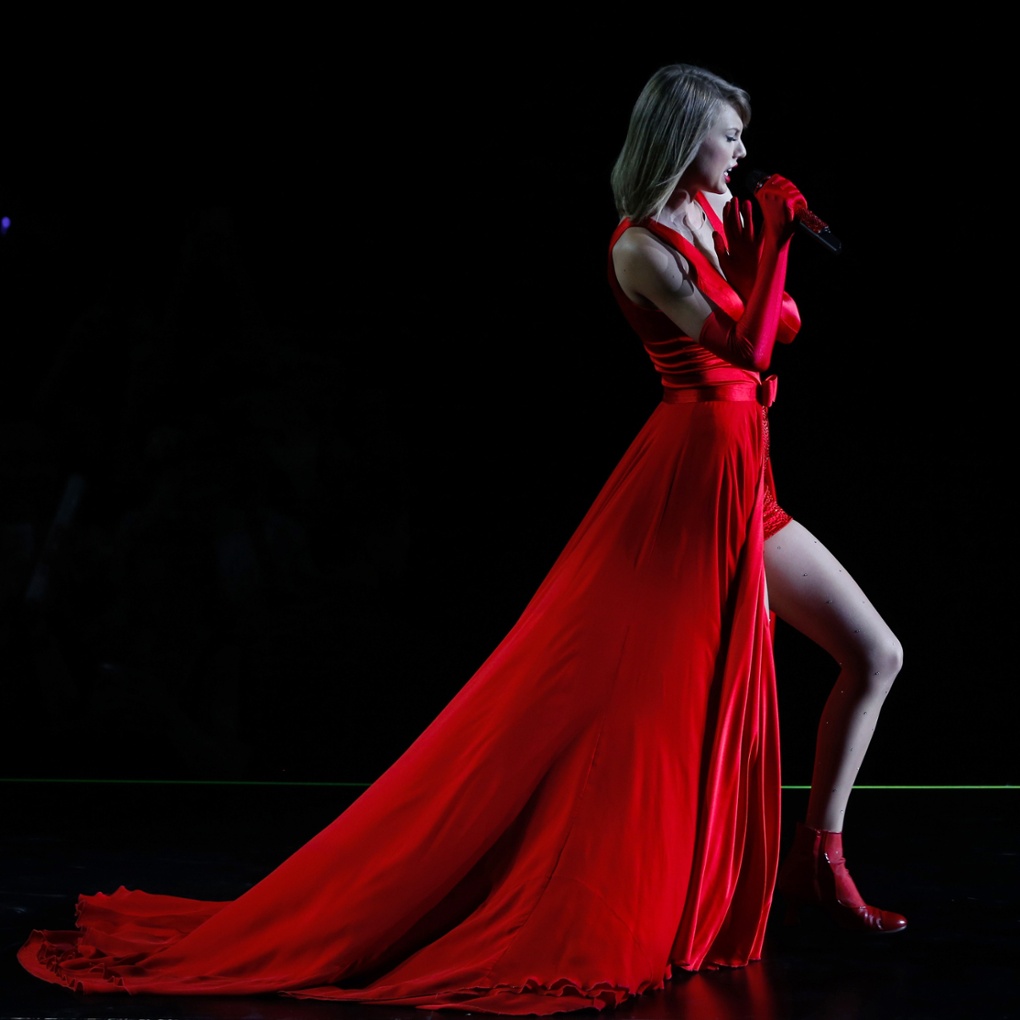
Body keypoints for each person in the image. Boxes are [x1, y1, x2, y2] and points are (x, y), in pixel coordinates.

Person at [17, 63, 904, 1016]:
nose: (742, 152)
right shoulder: (640, 247)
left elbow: (772, 335)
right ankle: (667, 878)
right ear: (683, 137)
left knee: (875, 652)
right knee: (663, 699)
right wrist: (772, 244)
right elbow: (751, 350)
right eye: (728, 136)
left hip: (747, 483)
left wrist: (757, 241)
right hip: (689, 487)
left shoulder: (718, 221)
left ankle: (822, 853)